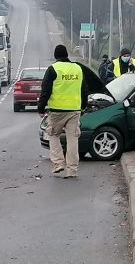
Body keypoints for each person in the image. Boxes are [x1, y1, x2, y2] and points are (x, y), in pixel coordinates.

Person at [37, 45, 89, 178]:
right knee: (73, 139)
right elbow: (84, 89)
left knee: (53, 135)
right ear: (67, 55)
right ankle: (72, 170)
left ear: (55, 56)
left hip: (57, 111)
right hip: (74, 110)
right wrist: (84, 105)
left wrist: (41, 108)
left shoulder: (53, 69)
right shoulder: (78, 68)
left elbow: (45, 91)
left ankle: (59, 162)